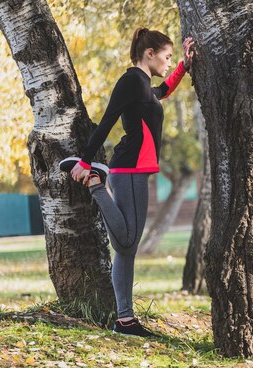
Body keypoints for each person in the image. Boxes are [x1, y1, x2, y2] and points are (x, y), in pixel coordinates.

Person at [59, 28, 196, 337]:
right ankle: (96, 181)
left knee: (126, 250)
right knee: (125, 241)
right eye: (166, 56)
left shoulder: (144, 86)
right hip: (129, 167)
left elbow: (162, 93)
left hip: (136, 169)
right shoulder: (130, 81)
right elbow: (108, 120)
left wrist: (183, 67)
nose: (167, 61)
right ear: (149, 54)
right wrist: (84, 162)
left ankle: (125, 320)